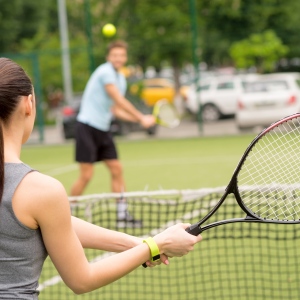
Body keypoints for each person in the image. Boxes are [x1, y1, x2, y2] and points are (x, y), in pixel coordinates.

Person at [0, 57, 202, 298]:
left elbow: (53, 221)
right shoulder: (40, 191)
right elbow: (82, 280)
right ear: (28, 104)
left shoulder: (40, 198)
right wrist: (156, 246)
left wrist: (138, 243)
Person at [70, 40, 155, 228]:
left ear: (125, 58)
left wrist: (140, 120)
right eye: (115, 55)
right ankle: (67, 212)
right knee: (86, 175)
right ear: (109, 57)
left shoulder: (121, 79)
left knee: (116, 169)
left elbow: (116, 110)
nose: (118, 58)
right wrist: (141, 117)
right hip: (86, 126)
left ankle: (122, 215)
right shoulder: (105, 72)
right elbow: (118, 99)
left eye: (122, 55)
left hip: (103, 129)